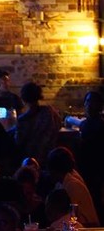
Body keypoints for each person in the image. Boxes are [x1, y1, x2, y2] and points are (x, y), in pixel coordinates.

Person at [46, 147, 99, 227]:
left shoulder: (72, 185)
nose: (48, 173)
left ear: (55, 170)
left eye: (49, 169)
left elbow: (71, 216)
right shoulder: (63, 182)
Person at [14, 82, 61, 166]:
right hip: (50, 159)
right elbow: (59, 125)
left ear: (23, 99)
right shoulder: (50, 112)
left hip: (29, 162)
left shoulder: (23, 120)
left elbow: (18, 142)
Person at [76, 90, 104, 221]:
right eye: (87, 102)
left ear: (100, 106)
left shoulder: (95, 125)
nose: (88, 105)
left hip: (93, 169)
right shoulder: (88, 123)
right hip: (90, 168)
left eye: (92, 102)